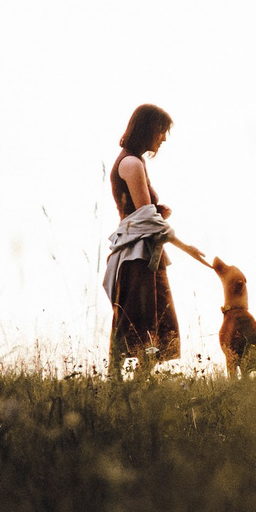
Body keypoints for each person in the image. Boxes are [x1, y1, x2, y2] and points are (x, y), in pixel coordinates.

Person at [102, 102, 211, 375]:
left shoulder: (133, 161)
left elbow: (144, 213)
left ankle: (139, 386)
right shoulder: (130, 162)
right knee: (137, 324)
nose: (163, 138)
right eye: (161, 131)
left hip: (145, 253)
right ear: (148, 129)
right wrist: (186, 248)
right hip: (137, 255)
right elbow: (146, 219)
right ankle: (117, 385)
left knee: (149, 325)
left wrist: (157, 210)